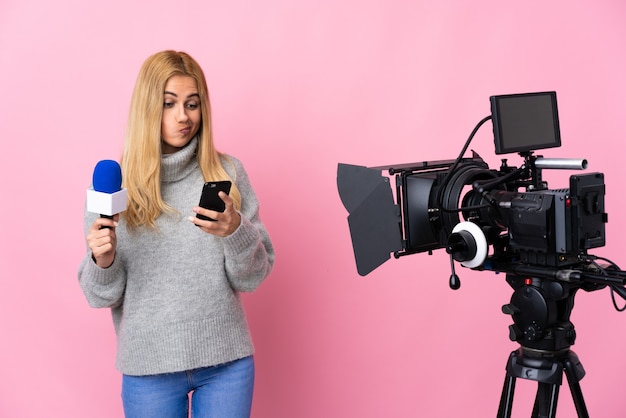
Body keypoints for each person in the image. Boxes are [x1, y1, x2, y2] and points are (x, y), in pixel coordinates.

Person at [78, 50, 275, 418]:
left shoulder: (227, 172)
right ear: (148, 108)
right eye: (169, 104)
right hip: (147, 369)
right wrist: (101, 261)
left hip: (226, 364)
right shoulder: (115, 186)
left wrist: (236, 232)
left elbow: (253, 278)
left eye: (192, 103)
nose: (183, 116)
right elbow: (98, 295)